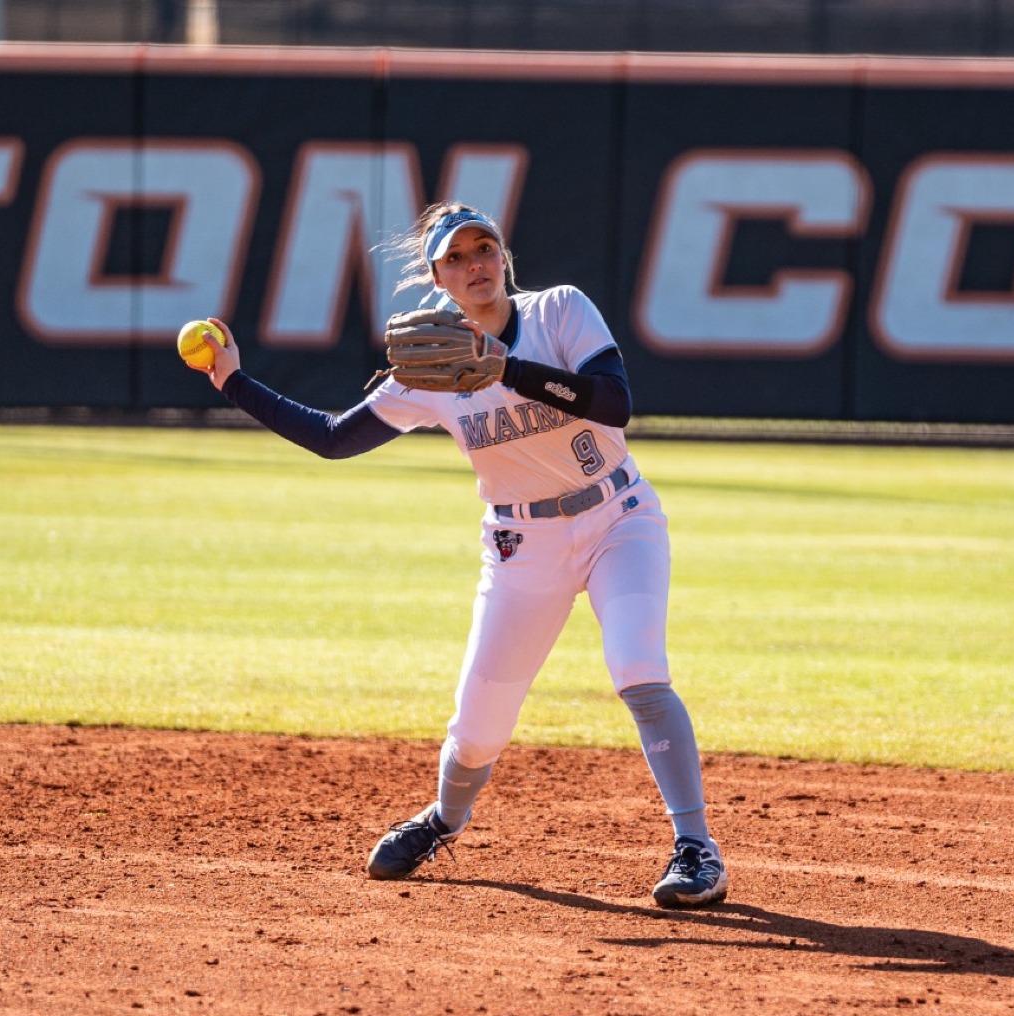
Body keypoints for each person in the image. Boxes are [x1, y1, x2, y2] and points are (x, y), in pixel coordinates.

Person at [190, 201, 727, 907]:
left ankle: (697, 850)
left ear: (503, 257)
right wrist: (233, 381)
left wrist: (507, 367)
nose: (475, 265)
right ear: (438, 278)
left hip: (617, 519)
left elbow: (613, 403)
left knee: (638, 669)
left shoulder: (561, 311)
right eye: (457, 257)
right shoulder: (428, 368)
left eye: (485, 249)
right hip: (519, 545)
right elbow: (332, 437)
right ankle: (443, 819)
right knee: (476, 729)